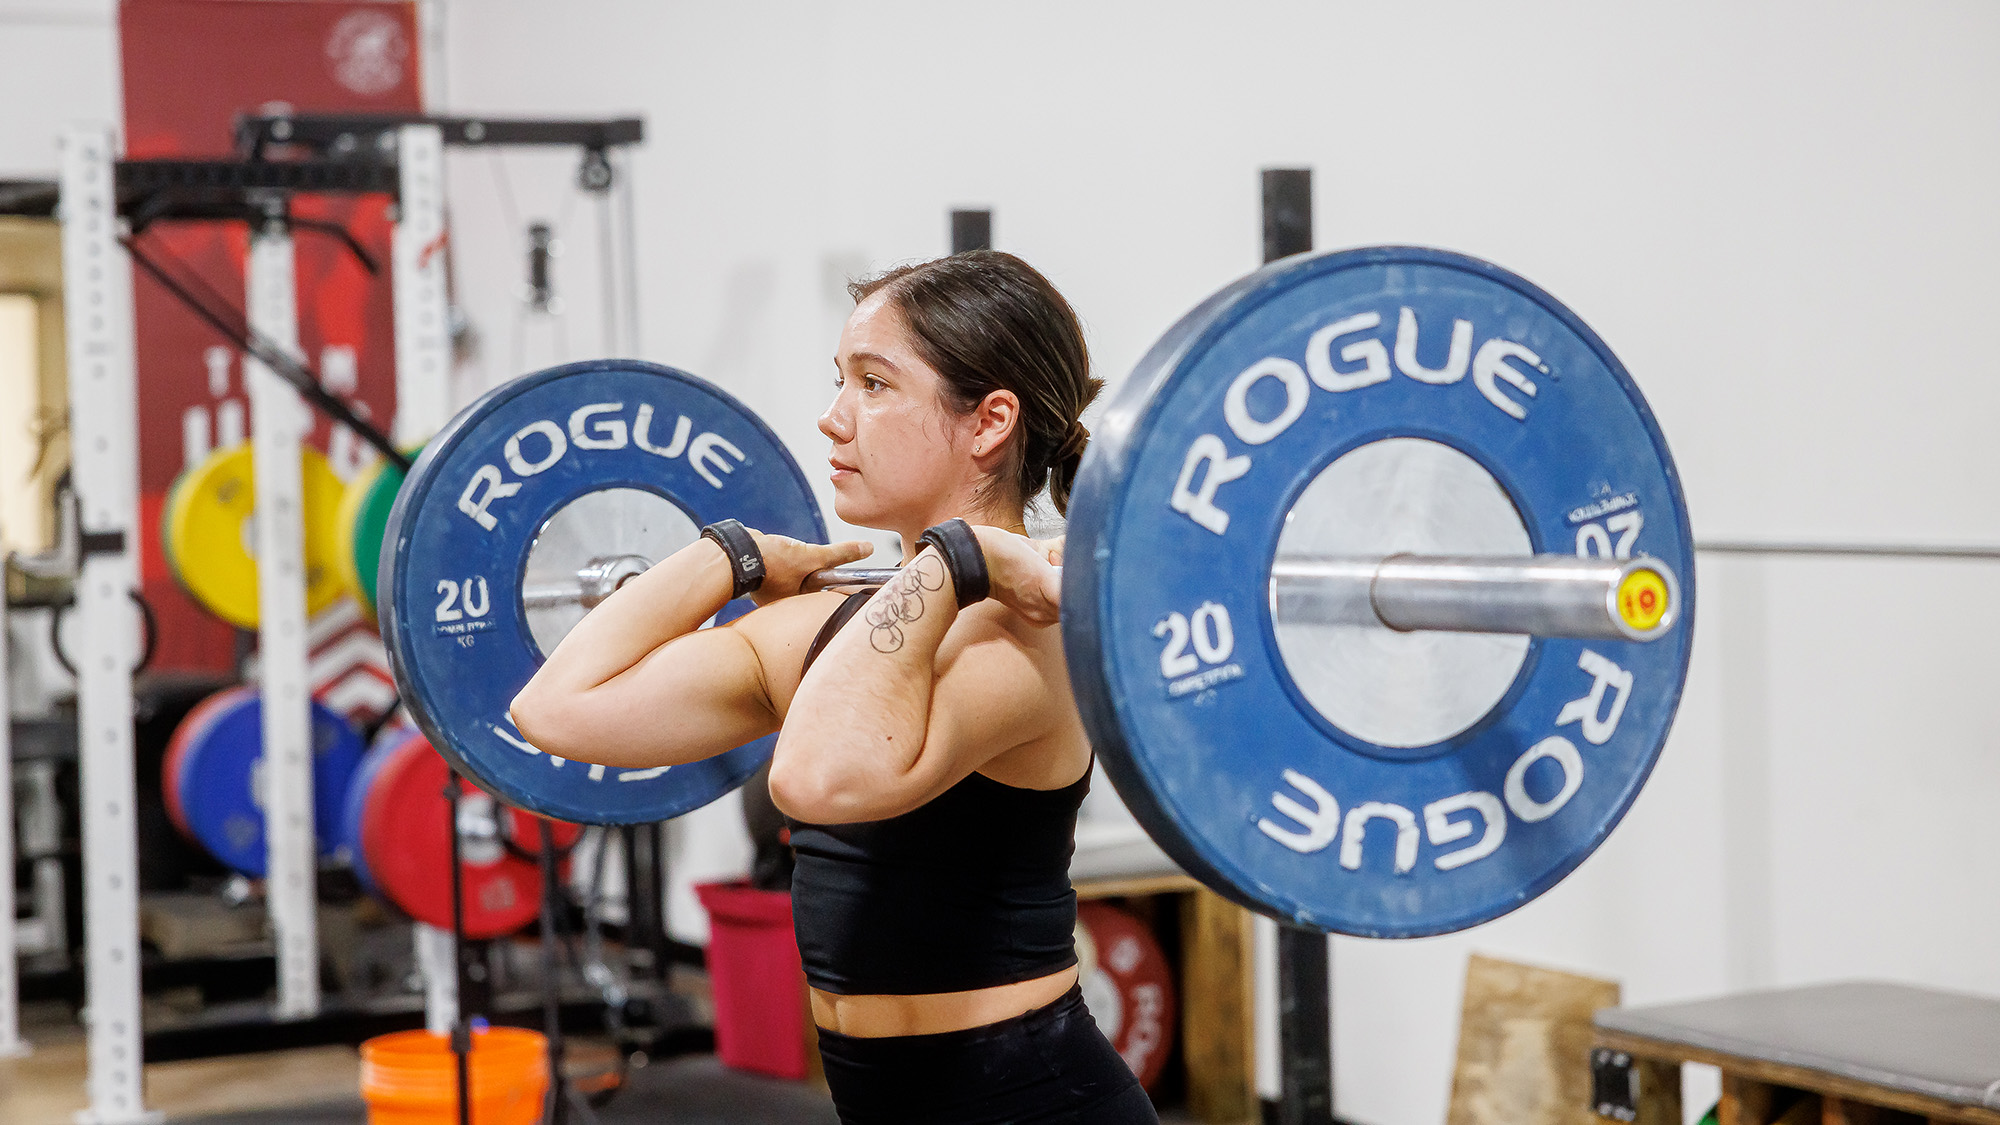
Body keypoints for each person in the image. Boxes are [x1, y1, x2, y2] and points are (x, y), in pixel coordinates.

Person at [510, 250, 1159, 1123]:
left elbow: (819, 780)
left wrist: (961, 556)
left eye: (875, 384)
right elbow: (553, 708)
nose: (831, 418)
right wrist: (727, 555)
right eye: (839, 381)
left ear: (989, 421)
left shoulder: (1027, 630)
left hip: (1031, 1099)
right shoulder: (824, 621)